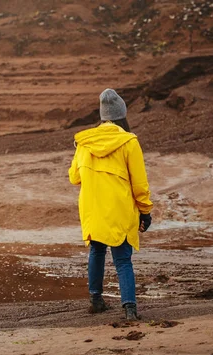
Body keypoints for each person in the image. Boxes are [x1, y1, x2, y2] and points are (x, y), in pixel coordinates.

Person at [68, 88, 153, 320]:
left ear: (103, 115)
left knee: (96, 250)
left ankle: (96, 300)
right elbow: (139, 183)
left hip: (93, 208)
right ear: (121, 114)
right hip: (120, 209)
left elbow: (74, 177)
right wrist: (145, 211)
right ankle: (129, 309)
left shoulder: (84, 142)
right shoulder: (128, 141)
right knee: (122, 259)